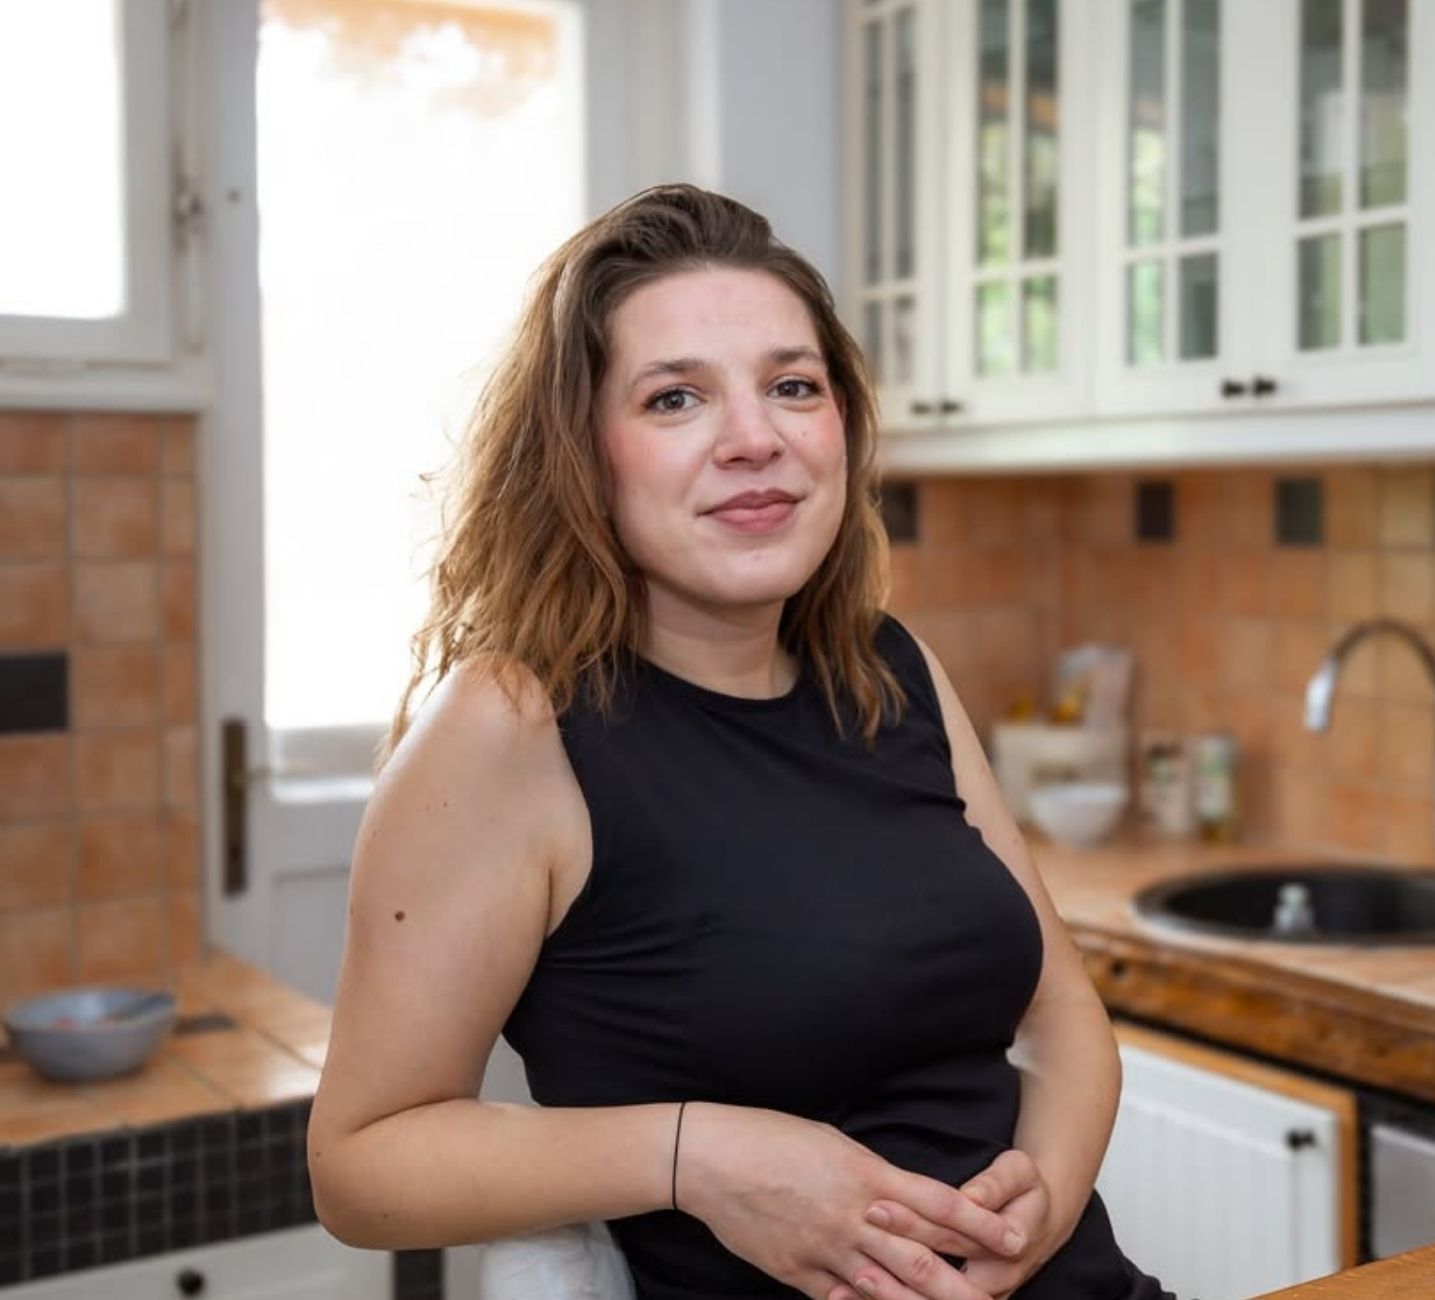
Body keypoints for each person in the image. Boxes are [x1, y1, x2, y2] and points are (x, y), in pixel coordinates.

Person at [306, 183, 1175, 1300]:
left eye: (792, 386)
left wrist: (1037, 1212)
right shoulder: (513, 725)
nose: (755, 439)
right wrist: (697, 1156)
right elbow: (361, 1166)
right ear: (581, 454)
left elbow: (1061, 1019)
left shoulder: (891, 670)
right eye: (675, 398)